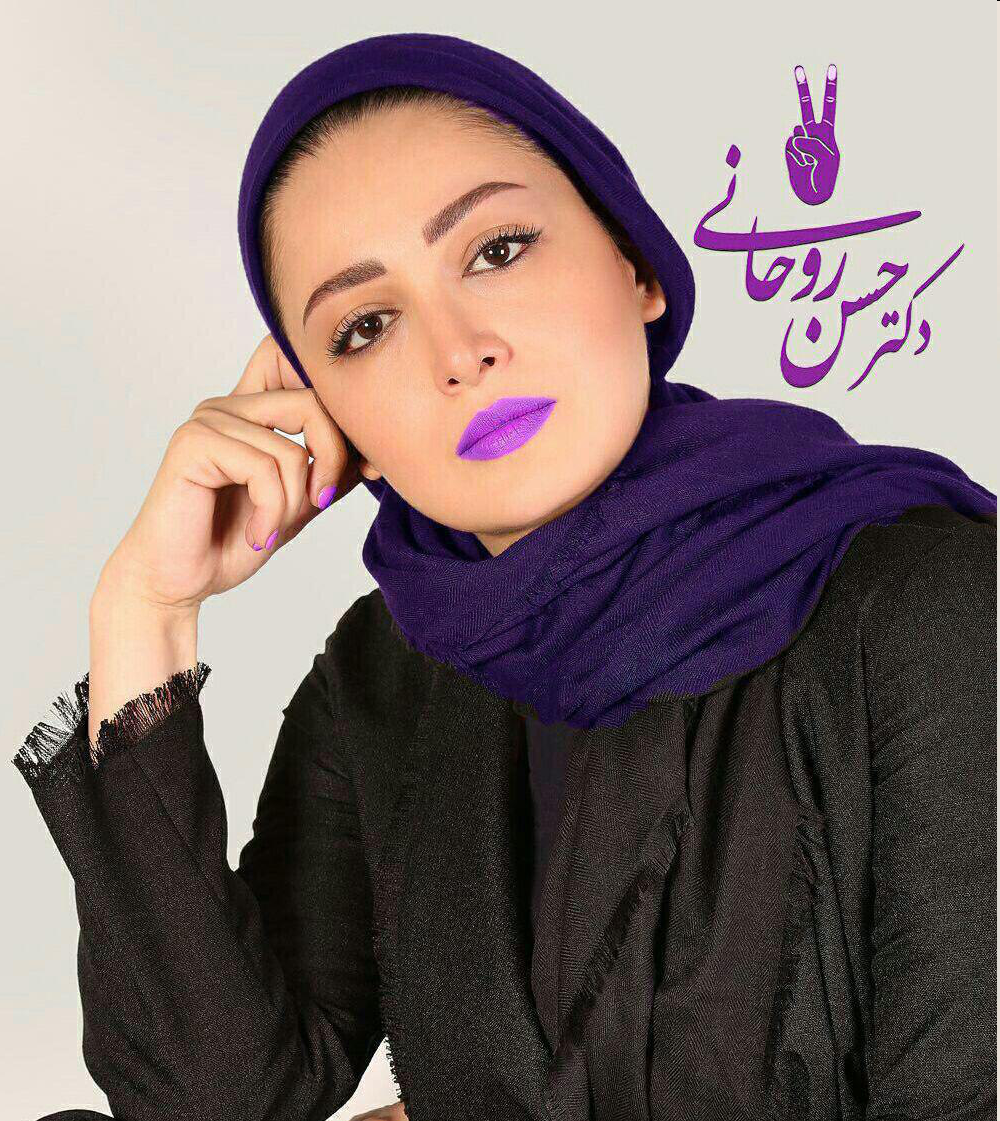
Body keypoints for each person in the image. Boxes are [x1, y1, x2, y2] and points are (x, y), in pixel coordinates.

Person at [15, 33, 996, 1121]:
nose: (457, 351)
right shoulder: (386, 671)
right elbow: (214, 1096)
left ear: (635, 264)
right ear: (333, 418)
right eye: (365, 327)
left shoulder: (928, 602)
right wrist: (145, 610)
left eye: (497, 249)